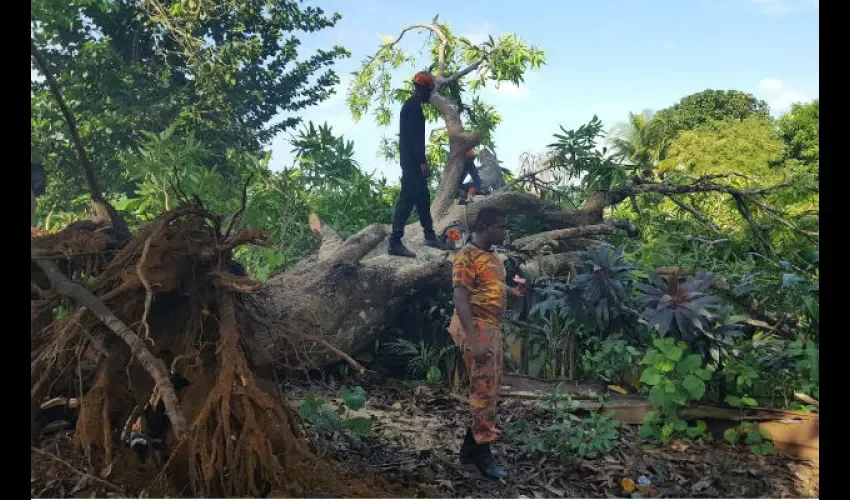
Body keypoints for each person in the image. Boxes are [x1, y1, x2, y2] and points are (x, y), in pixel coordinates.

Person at [448, 207, 525, 480]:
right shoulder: (466, 256)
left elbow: (490, 284)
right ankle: (483, 455)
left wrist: (511, 291)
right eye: (500, 227)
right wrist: (474, 341)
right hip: (476, 328)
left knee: (488, 390)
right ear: (483, 226)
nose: (503, 232)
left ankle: (469, 452)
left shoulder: (491, 256)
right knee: (483, 391)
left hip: (491, 327)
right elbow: (460, 299)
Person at [388, 71, 444, 258]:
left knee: (423, 200)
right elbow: (413, 139)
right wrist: (421, 162)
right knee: (406, 200)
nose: (430, 95)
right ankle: (394, 241)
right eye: (429, 91)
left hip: (413, 161)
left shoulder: (413, 106)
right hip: (412, 163)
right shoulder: (412, 107)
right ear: (422, 89)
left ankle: (430, 237)